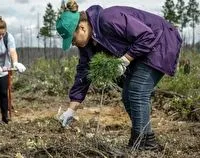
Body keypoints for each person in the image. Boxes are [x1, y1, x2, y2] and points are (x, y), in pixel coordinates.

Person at [56, 0, 182, 151]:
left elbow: (147, 35)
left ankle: (143, 143)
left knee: (137, 91)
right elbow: (84, 73)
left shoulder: (109, 18)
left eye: (73, 39)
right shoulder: (88, 45)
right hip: (144, 50)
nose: (73, 44)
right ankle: (145, 140)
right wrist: (71, 109)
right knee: (127, 95)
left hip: (160, 42)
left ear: (82, 28)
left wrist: (125, 59)